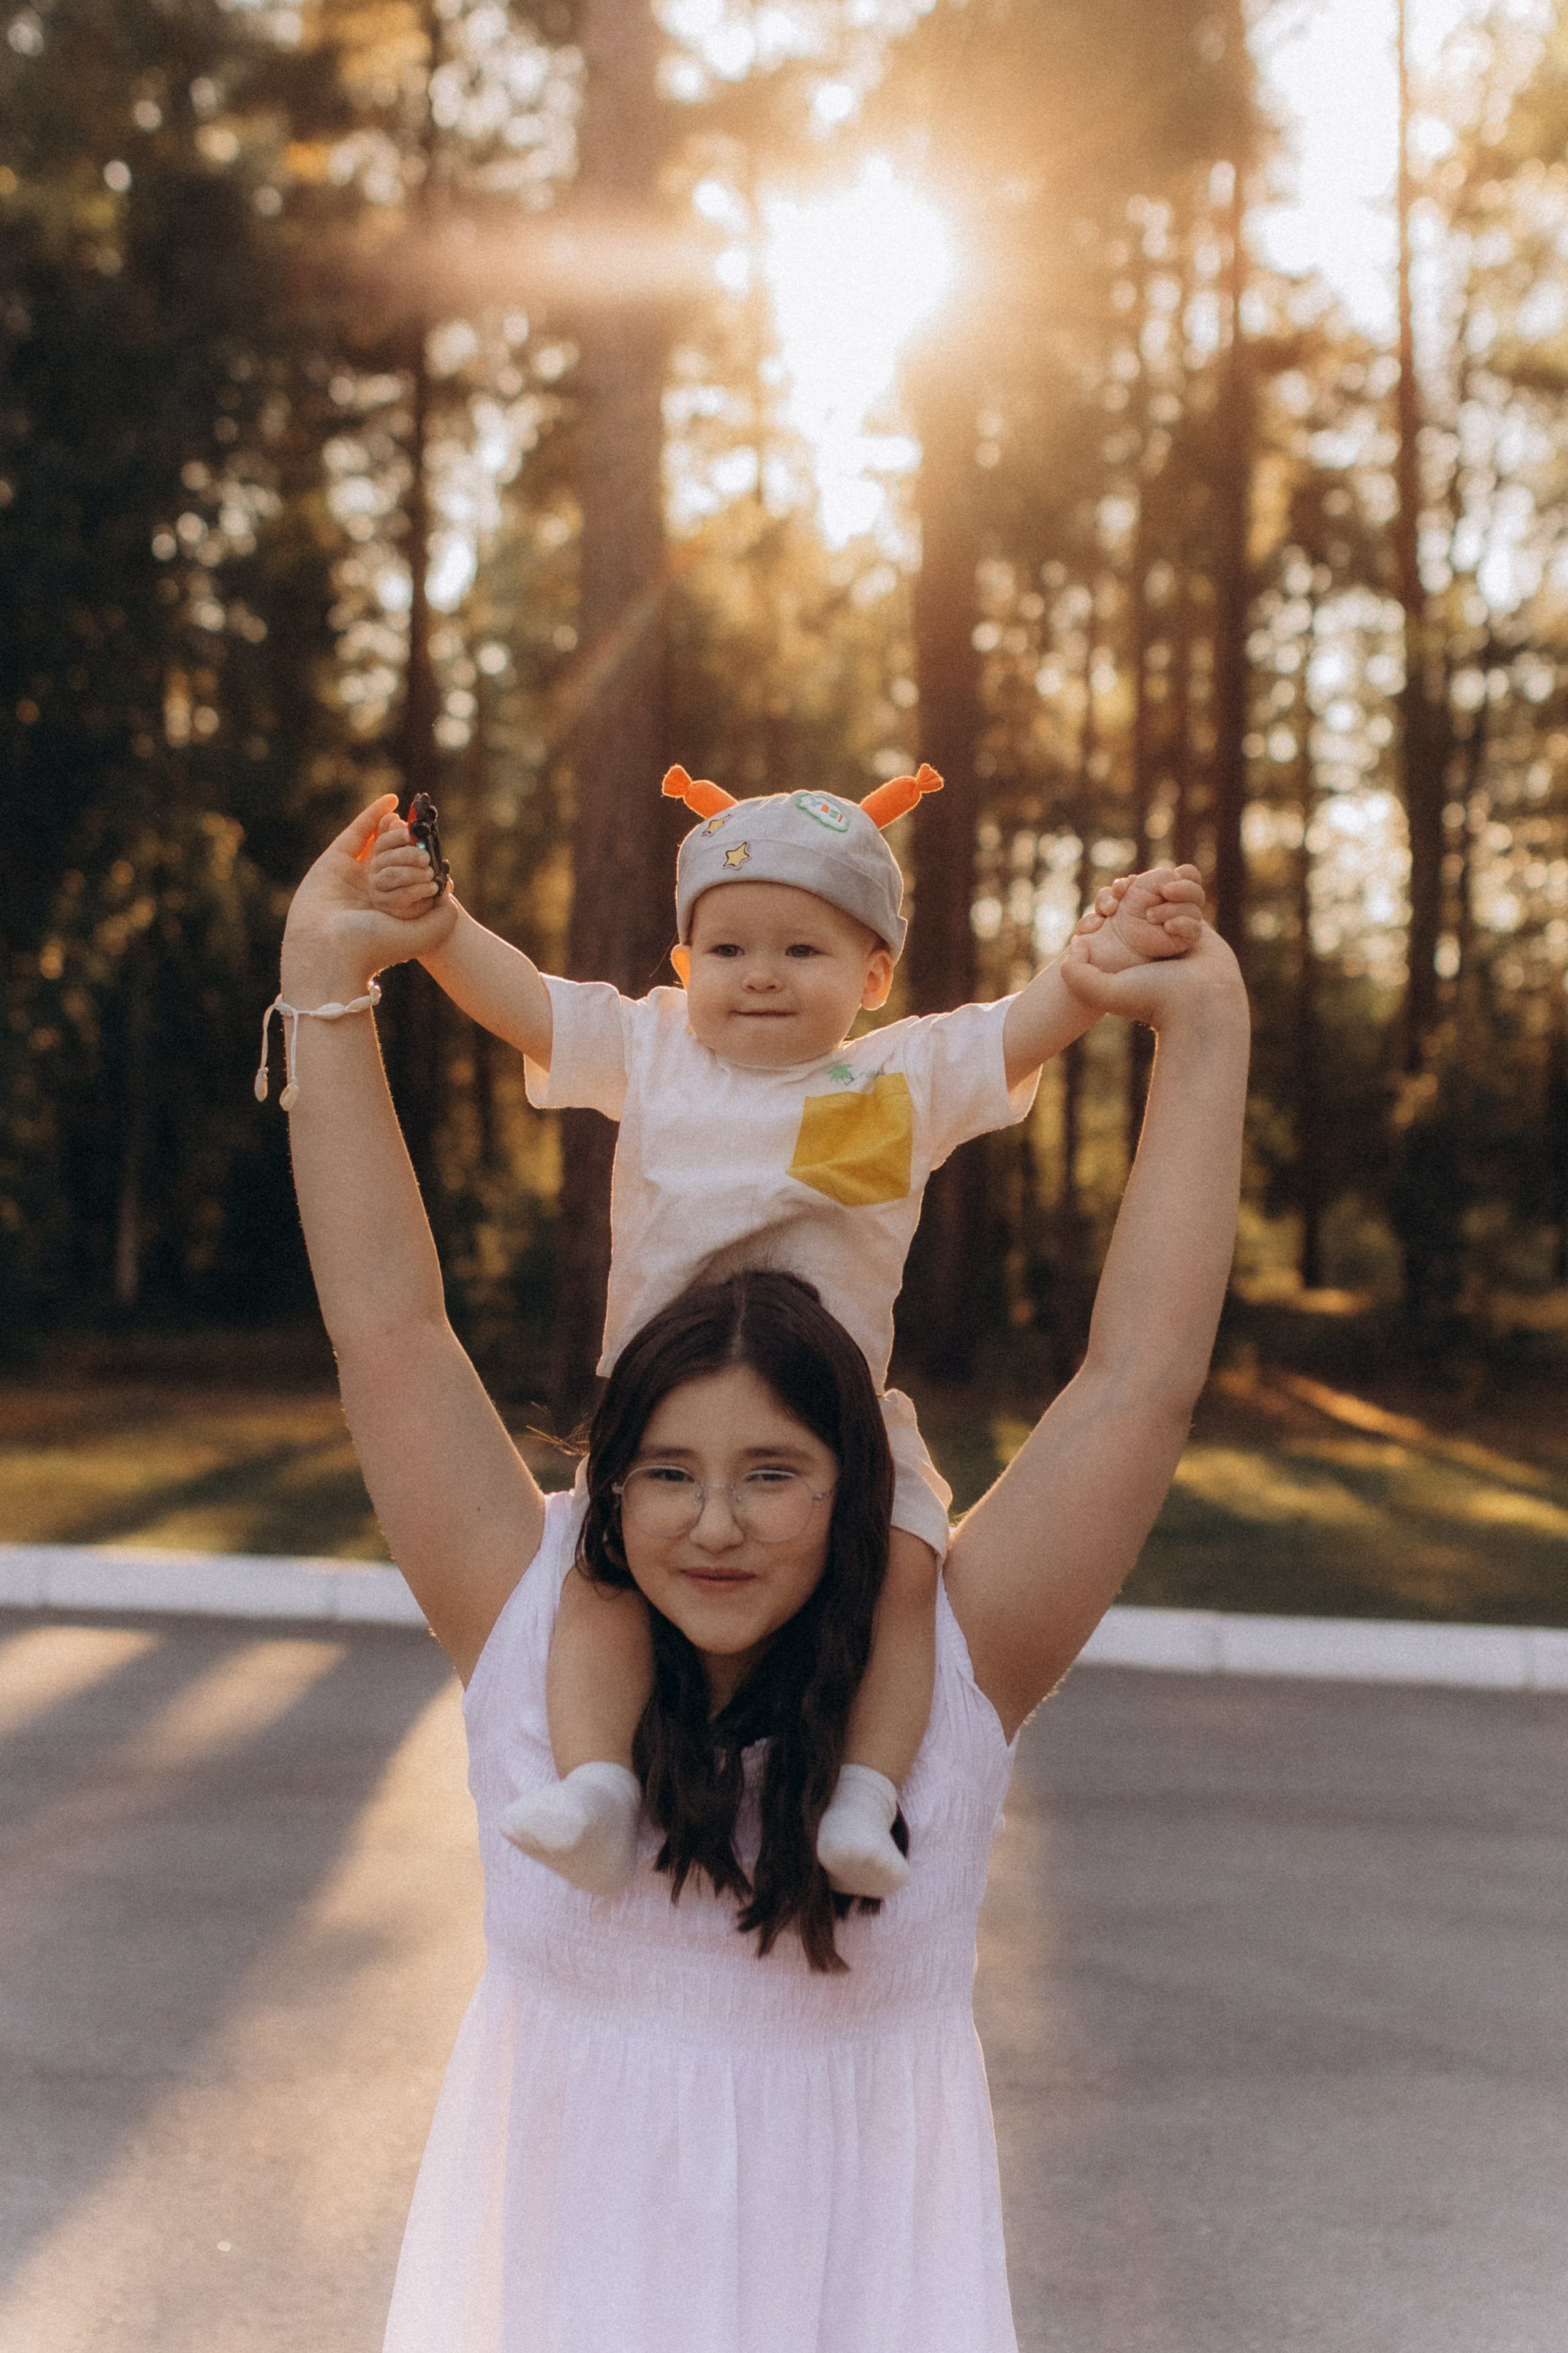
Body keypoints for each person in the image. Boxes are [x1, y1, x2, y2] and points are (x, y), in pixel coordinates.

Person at [272, 795, 1249, 2353]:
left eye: (775, 1474)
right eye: (663, 1471)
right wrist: (330, 976)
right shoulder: (529, 1611)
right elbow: (389, 1325)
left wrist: (1198, 1031)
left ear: (857, 1485)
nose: (709, 1526)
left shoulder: (946, 1664)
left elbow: (1136, 1383)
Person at [362, 773, 1204, 1901]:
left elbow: (1031, 1018)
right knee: (599, 1575)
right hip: (660, 1421)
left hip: (834, 1425)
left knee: (908, 1569)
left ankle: (867, 1788)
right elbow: (529, 1002)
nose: (759, 974)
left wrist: (1105, 954)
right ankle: (598, 1781)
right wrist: (440, 926)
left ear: (873, 976)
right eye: (727, 950)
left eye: (803, 951)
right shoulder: (654, 1051)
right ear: (682, 965)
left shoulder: (896, 1076)